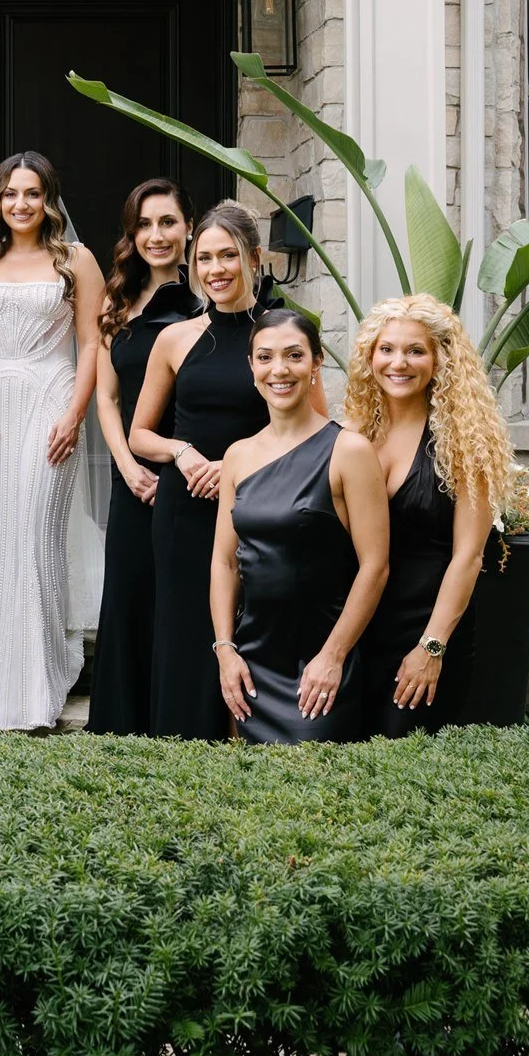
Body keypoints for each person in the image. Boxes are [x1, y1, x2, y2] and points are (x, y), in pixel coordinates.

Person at [0, 151, 104, 731]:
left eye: (32, 193)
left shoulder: (77, 261)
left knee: (34, 535)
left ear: (49, 199)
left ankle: (40, 680)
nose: (20, 204)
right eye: (10, 194)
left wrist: (75, 412)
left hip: (50, 403)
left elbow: (92, 342)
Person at [130, 201, 276, 740]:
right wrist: (181, 451)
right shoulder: (175, 338)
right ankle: (181, 756)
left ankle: (254, 746)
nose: (215, 269)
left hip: (257, 505)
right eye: (204, 258)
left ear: (254, 258)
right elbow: (139, 433)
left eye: (228, 256)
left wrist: (235, 465)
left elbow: (313, 430)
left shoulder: (280, 336)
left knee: (250, 631)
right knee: (185, 632)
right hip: (184, 510)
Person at [212, 311, 389, 744]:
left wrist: (333, 657)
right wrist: (225, 651)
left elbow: (375, 567)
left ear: (316, 363)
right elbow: (224, 562)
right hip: (250, 666)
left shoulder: (349, 450)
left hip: (321, 665)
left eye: (294, 355)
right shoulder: (237, 456)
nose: (279, 370)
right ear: (251, 366)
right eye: (265, 357)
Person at [344, 294, 515, 736]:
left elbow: (468, 558)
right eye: (387, 349)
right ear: (370, 357)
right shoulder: (353, 434)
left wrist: (432, 648)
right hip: (353, 630)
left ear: (440, 360)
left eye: (415, 350)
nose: (398, 362)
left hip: (424, 633)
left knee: (405, 765)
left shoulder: (463, 446)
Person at [86, 178, 200, 737]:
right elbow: (106, 397)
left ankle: (176, 722)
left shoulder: (208, 299)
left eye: (168, 222)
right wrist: (127, 465)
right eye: (145, 225)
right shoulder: (116, 302)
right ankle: (122, 726)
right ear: (132, 235)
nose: (157, 236)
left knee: (180, 597)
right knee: (130, 592)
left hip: (190, 473)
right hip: (131, 473)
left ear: (187, 229)